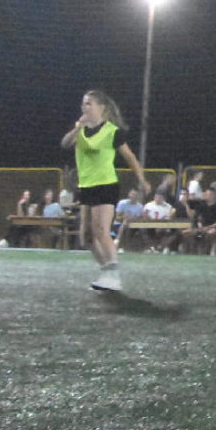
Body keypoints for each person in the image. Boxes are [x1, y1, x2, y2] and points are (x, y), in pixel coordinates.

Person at [60, 90, 148, 291]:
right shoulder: (80, 129)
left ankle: (114, 276)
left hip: (106, 185)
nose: (84, 107)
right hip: (86, 187)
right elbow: (65, 144)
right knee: (86, 237)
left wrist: (141, 179)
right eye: (83, 103)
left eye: (89, 103)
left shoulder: (111, 131)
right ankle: (106, 271)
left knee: (101, 230)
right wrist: (77, 128)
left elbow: (130, 157)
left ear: (101, 107)